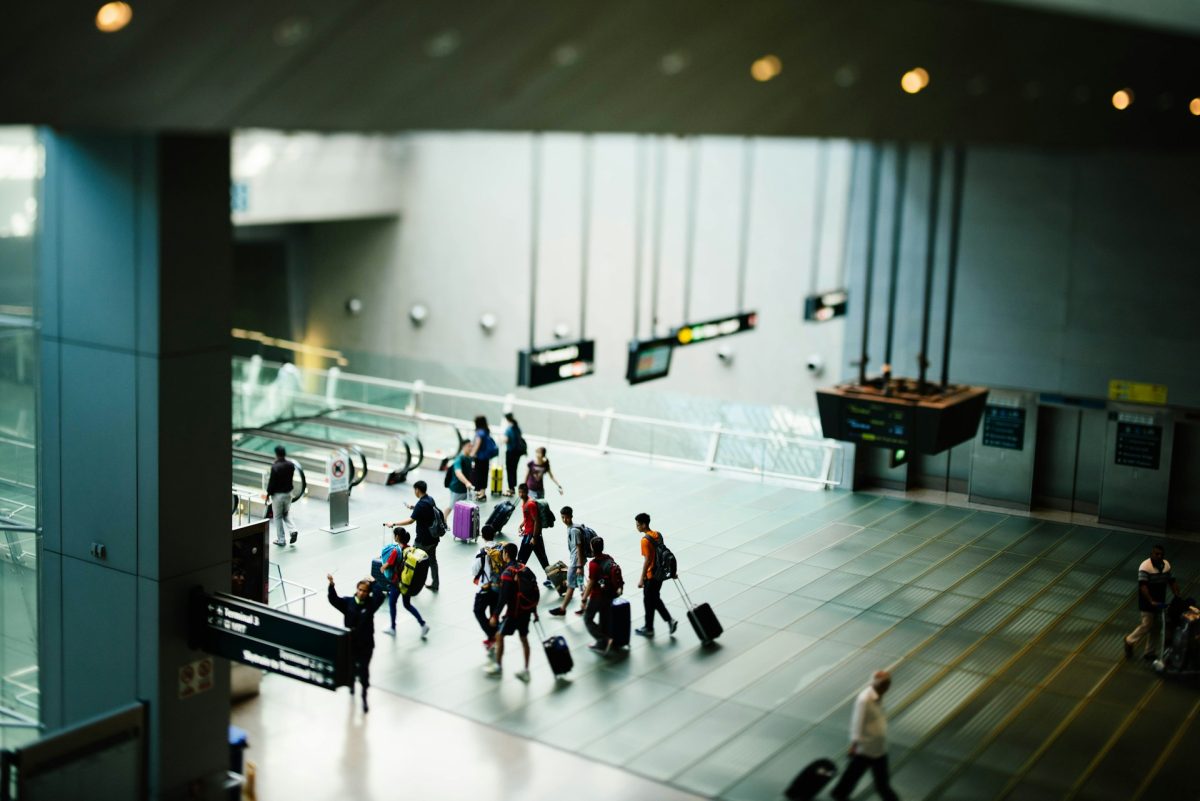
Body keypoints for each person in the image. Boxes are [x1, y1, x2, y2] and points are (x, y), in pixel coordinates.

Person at [830, 670, 900, 801]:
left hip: (878, 748)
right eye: (886, 684)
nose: (888, 687)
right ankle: (838, 794)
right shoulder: (864, 700)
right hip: (866, 748)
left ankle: (838, 794)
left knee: (854, 778)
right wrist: (854, 745)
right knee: (880, 784)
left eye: (888, 683)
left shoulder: (878, 696)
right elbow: (857, 722)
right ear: (877, 684)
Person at [326, 573, 386, 713]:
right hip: (351, 644)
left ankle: (364, 696)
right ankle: (352, 684)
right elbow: (334, 599)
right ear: (356, 589)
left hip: (366, 645)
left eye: (365, 591)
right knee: (351, 667)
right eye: (360, 590)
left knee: (364, 671)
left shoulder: (371, 605)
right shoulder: (348, 603)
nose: (362, 593)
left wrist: (374, 582)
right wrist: (331, 585)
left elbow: (380, 596)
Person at [485, 542, 534, 681]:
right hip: (526, 610)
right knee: (524, 639)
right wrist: (533, 609)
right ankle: (526, 670)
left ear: (506, 554)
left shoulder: (507, 573)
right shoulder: (525, 568)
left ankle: (498, 667)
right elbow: (532, 588)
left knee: (500, 635)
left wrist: (495, 615)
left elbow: (504, 596)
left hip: (513, 612)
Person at [1124, 543, 1182, 661]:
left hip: (1159, 602)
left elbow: (1171, 581)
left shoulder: (1166, 565)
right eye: (1156, 554)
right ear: (1152, 554)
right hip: (1147, 603)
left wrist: (1177, 594)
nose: (1159, 556)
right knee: (1147, 624)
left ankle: (1149, 652)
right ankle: (1129, 640)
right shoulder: (1145, 566)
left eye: (1161, 554)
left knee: (1155, 627)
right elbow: (1143, 586)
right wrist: (1151, 600)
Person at [388, 480, 442, 591]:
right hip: (434, 538)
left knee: (411, 560)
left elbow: (410, 521)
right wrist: (414, 508)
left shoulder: (421, 504)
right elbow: (426, 511)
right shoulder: (430, 499)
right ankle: (435, 584)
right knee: (432, 561)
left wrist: (393, 523)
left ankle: (409, 584)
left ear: (417, 490)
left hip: (422, 541)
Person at [634, 512, 678, 637]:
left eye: (638, 525)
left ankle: (660, 624)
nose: (637, 527)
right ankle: (652, 626)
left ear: (644, 524)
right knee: (652, 599)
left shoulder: (644, 540)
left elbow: (647, 560)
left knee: (650, 600)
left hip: (651, 575)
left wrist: (642, 578)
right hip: (660, 574)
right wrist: (672, 571)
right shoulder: (658, 535)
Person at [380, 527, 430, 638]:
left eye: (394, 535)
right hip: (406, 581)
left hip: (397, 582)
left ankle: (392, 628)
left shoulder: (395, 550)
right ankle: (423, 624)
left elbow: (387, 565)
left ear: (397, 537)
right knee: (407, 604)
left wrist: (382, 567)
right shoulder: (409, 549)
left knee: (392, 603)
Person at [582, 536, 618, 653]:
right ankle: (608, 641)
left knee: (588, 619)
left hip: (598, 596)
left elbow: (591, 583)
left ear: (592, 548)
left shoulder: (593, 564)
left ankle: (603, 640)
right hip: (610, 594)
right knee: (604, 617)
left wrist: (584, 599)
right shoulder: (609, 558)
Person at [549, 506, 587, 616]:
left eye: (567, 517)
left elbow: (579, 547)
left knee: (571, 586)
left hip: (576, 564)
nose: (565, 520)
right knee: (580, 585)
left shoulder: (574, 530)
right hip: (578, 562)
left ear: (571, 516)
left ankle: (562, 609)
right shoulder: (572, 527)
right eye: (562, 518)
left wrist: (579, 566)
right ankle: (584, 607)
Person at [515, 483, 554, 589]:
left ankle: (517, 580)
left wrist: (534, 538)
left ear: (527, 492)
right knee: (543, 559)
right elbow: (529, 518)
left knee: (521, 559)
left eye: (522, 492)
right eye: (519, 492)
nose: (521, 494)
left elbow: (537, 521)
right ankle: (550, 578)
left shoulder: (530, 504)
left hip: (531, 536)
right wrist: (522, 524)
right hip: (530, 534)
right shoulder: (525, 503)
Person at [472, 524, 503, 654]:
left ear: (482, 536)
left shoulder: (482, 552)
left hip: (486, 587)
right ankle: (495, 637)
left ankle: (492, 636)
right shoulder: (501, 548)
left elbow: (474, 570)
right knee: (493, 614)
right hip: (499, 587)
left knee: (478, 611)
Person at [267, 445, 297, 546]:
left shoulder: (275, 467)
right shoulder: (291, 465)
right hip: (288, 494)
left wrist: (268, 494)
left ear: (276, 454)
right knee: (286, 513)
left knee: (278, 517)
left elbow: (272, 483)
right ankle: (293, 530)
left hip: (278, 495)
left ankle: (281, 540)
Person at [469, 415, 499, 502]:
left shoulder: (479, 433)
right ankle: (482, 493)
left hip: (480, 457)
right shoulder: (486, 431)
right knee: (484, 475)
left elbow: (477, 444)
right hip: (486, 458)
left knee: (478, 475)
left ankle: (479, 493)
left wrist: (472, 454)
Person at [445, 439, 476, 519]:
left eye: (471, 446)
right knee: (451, 506)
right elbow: (458, 472)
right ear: (463, 447)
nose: (471, 448)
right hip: (457, 488)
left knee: (462, 505)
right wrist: (467, 482)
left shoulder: (468, 457)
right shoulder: (459, 458)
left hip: (465, 488)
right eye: (469, 446)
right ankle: (443, 520)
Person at [502, 412, 526, 497]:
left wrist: (501, 440)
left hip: (511, 452)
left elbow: (505, 440)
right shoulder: (517, 427)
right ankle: (513, 487)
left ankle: (511, 488)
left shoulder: (509, 429)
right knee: (514, 469)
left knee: (509, 470)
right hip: (518, 452)